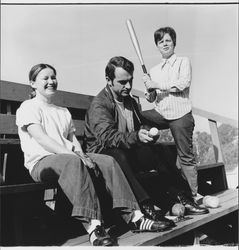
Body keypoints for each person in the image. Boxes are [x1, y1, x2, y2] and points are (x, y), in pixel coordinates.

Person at [16, 63, 173, 247]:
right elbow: (42, 139)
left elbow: (73, 140)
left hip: (68, 158)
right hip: (42, 162)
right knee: (73, 162)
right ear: (33, 83)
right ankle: (94, 228)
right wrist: (76, 156)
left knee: (108, 160)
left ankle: (136, 217)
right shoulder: (28, 107)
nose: (51, 81)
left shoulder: (62, 111)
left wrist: (83, 155)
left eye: (53, 77)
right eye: (45, 78)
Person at [84, 56, 209, 218]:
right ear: (109, 80)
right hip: (102, 154)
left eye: (130, 81)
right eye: (122, 82)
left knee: (161, 150)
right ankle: (146, 205)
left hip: (125, 149)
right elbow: (107, 137)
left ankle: (183, 197)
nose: (128, 86)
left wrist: (147, 134)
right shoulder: (99, 105)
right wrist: (137, 137)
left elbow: (138, 127)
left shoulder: (130, 102)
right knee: (118, 155)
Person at [141, 27, 202, 204]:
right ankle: (148, 148)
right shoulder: (153, 69)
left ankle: (194, 195)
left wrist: (156, 84)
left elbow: (183, 84)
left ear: (174, 42)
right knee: (139, 117)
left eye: (168, 40)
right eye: (161, 42)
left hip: (180, 113)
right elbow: (153, 97)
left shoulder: (183, 61)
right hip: (161, 113)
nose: (165, 44)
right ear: (157, 46)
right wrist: (149, 91)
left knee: (185, 156)